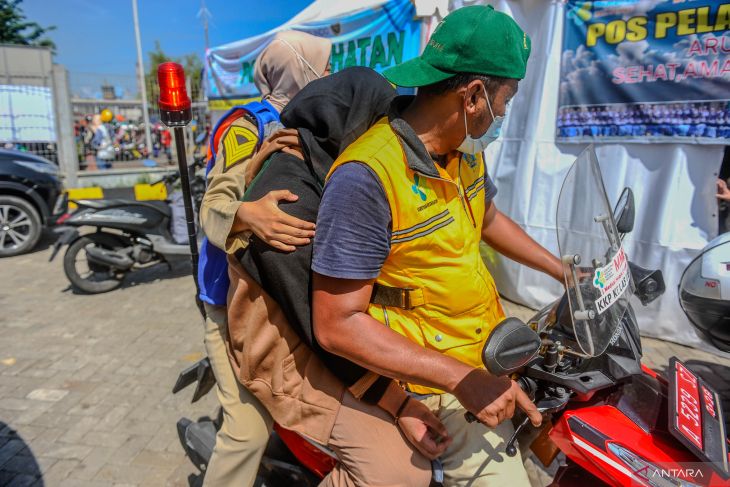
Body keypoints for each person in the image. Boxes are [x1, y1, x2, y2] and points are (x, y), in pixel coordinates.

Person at [311, 6, 563, 486]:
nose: (504, 114)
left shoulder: (463, 153)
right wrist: (460, 380)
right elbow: (336, 324)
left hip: (484, 353)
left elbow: (486, 217)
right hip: (431, 384)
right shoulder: (368, 177)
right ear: (473, 97)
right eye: (505, 99)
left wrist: (563, 271)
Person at [230, 66, 448, 486]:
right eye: (379, 122)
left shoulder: (321, 167)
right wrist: (397, 403)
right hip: (285, 349)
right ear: (351, 122)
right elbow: (322, 324)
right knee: (399, 473)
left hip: (322, 336)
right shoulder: (288, 196)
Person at [197, 30, 331, 487]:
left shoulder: (313, 122)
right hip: (230, 305)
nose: (329, 75)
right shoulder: (248, 124)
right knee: (247, 433)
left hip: (284, 301)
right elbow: (212, 204)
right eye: (322, 66)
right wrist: (247, 214)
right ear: (300, 70)